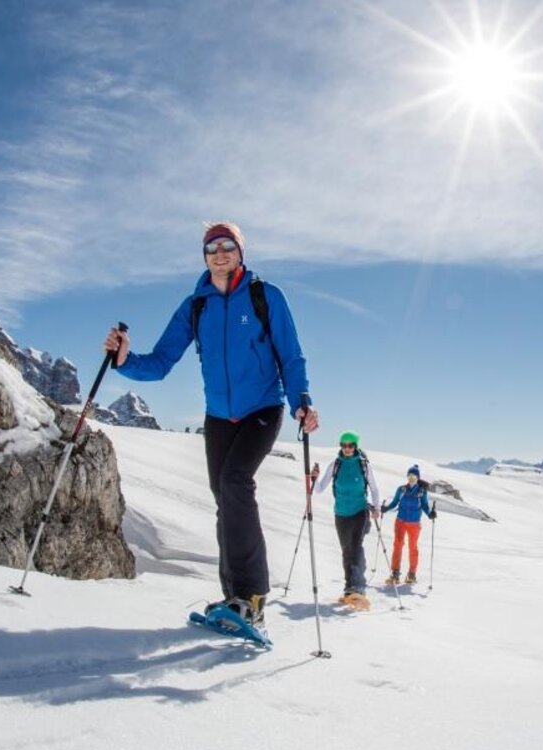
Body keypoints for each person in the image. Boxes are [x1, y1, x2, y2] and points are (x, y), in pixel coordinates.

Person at [103, 221, 319, 628]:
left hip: (262, 407)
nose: (220, 253)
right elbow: (162, 362)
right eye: (212, 247)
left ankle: (253, 597)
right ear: (204, 256)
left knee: (236, 482)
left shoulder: (264, 296)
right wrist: (125, 360)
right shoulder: (195, 306)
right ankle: (232, 599)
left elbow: (291, 356)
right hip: (218, 416)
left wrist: (301, 402)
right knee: (224, 499)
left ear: (240, 252)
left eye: (228, 246)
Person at [310, 431, 380, 609]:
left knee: (355, 547)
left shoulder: (363, 464)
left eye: (350, 445)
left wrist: (376, 507)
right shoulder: (335, 464)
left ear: (356, 446)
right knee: (346, 550)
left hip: (360, 510)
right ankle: (350, 588)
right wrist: (314, 478)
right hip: (341, 513)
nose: (347, 448)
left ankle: (358, 586)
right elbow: (319, 489)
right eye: (343, 445)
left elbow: (374, 487)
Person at [381, 464, 434, 585]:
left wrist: (430, 514)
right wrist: (386, 508)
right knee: (398, 545)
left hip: (414, 524)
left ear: (418, 478)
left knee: (413, 547)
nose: (411, 478)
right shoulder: (401, 489)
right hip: (400, 521)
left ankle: (412, 573)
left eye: (414, 476)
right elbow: (394, 503)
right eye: (409, 476)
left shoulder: (421, 491)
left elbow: (425, 506)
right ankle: (395, 573)